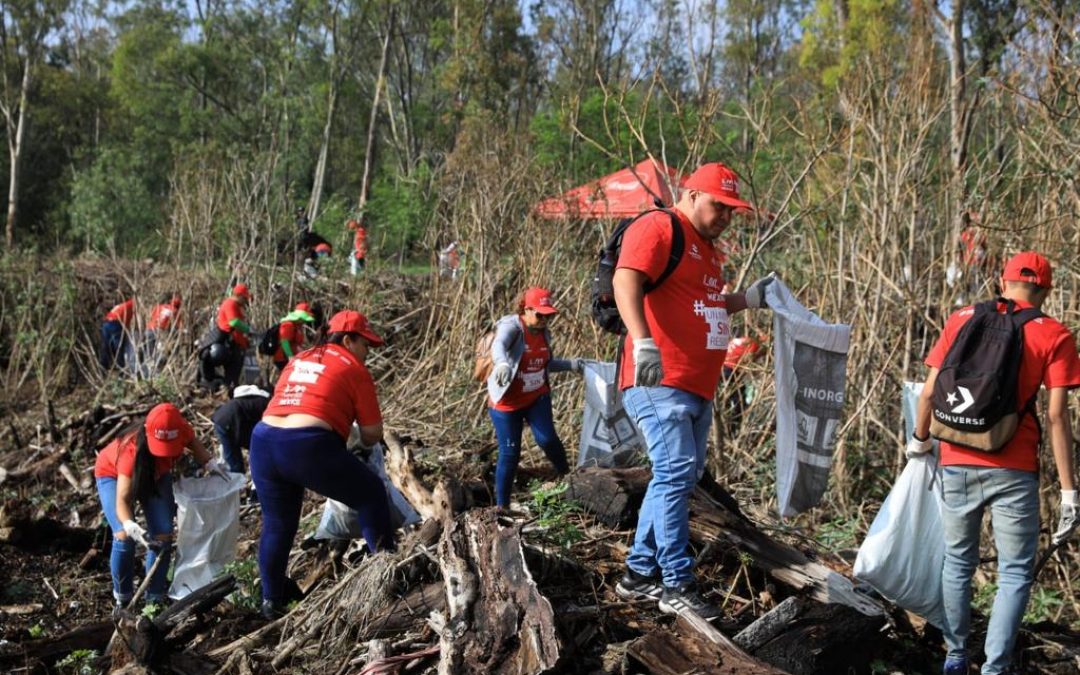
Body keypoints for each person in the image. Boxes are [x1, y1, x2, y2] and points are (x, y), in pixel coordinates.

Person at [611, 161, 774, 620]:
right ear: (691, 194)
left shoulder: (706, 249)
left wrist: (746, 300)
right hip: (658, 380)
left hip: (696, 386)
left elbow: (702, 303)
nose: (725, 217)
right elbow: (626, 279)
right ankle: (676, 582)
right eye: (718, 206)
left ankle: (638, 574)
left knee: (676, 477)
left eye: (732, 211)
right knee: (676, 472)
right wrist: (642, 341)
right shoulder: (661, 227)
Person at [909, 251, 1080, 675]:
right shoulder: (1054, 334)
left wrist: (919, 441)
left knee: (958, 561)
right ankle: (995, 668)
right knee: (1016, 572)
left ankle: (954, 656)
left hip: (956, 459)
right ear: (1045, 290)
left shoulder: (961, 317)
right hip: (1015, 467)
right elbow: (1058, 416)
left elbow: (929, 392)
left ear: (1002, 283)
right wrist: (1069, 492)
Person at [249, 310, 394, 619]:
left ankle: (271, 600)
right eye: (365, 344)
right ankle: (386, 576)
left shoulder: (299, 358)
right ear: (347, 340)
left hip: (263, 441)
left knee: (277, 523)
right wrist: (355, 441)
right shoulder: (354, 368)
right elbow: (373, 434)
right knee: (370, 494)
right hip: (305, 444)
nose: (368, 352)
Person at [94, 403, 225, 607]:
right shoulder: (130, 452)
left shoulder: (181, 428)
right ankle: (123, 599)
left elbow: (197, 448)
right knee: (123, 537)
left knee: (163, 534)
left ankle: (154, 598)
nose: (165, 453)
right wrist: (130, 525)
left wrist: (213, 466)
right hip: (112, 475)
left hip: (157, 475)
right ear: (148, 434)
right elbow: (122, 500)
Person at [486, 287, 583, 508]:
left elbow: (543, 363)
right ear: (526, 309)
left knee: (547, 439)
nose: (543, 320)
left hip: (536, 397)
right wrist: (502, 364)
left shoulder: (543, 333)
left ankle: (568, 478)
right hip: (507, 404)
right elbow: (499, 345)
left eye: (548, 316)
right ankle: (502, 507)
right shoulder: (512, 327)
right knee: (510, 454)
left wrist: (572, 364)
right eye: (539, 315)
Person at [200, 284, 252, 390]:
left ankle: (229, 389)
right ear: (240, 296)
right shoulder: (230, 304)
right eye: (245, 298)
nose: (245, 301)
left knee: (233, 377)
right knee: (232, 375)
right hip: (229, 345)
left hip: (236, 344)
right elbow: (234, 322)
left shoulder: (236, 306)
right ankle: (227, 389)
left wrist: (245, 341)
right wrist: (249, 329)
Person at [212, 385, 271, 474]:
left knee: (233, 458)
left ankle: (239, 483)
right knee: (238, 458)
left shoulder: (253, 401)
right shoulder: (267, 404)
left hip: (221, 419)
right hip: (231, 421)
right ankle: (244, 480)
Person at [721, 333, 763, 438]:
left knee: (731, 396)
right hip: (730, 370)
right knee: (739, 401)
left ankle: (728, 424)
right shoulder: (754, 345)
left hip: (722, 366)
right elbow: (748, 364)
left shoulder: (744, 340)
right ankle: (733, 430)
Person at [141, 293, 182, 377]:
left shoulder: (158, 307)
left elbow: (151, 317)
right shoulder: (174, 311)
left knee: (148, 355)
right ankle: (157, 377)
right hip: (160, 332)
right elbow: (179, 326)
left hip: (148, 330)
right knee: (160, 355)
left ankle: (145, 376)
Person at [272, 302, 316, 371]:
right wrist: (290, 356)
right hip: (283, 358)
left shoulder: (297, 326)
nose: (304, 321)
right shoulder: (288, 325)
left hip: (294, 357)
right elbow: (284, 342)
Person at [100, 298, 135, 371]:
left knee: (106, 346)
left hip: (106, 323)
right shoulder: (133, 304)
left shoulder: (121, 306)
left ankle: (104, 366)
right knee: (119, 347)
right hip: (116, 323)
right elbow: (128, 321)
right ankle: (121, 368)